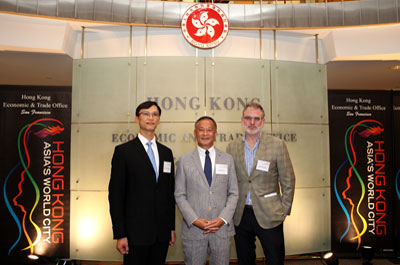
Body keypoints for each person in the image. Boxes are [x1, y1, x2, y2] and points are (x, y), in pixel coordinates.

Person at [226, 102, 295, 265]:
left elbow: (288, 179)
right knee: (245, 260)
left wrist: (284, 210)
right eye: (248, 118)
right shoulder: (232, 147)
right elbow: (230, 181)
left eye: (256, 119)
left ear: (263, 122)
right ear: (242, 120)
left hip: (270, 214)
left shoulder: (277, 145)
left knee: (275, 259)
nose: (252, 122)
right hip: (241, 215)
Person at [108, 101, 175, 265]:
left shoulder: (166, 153)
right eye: (146, 114)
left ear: (159, 120)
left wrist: (171, 227)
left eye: (155, 114)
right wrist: (120, 234)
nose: (150, 118)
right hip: (134, 235)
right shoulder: (123, 151)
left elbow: (169, 194)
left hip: (161, 233)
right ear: (137, 119)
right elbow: (116, 195)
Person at [175, 116, 239, 265]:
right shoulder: (184, 161)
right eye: (201, 130)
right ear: (195, 133)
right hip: (194, 231)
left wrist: (222, 219)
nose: (205, 133)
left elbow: (234, 192)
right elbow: (179, 195)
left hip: (221, 230)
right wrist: (195, 220)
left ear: (216, 133)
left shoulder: (227, 159)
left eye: (209, 130)